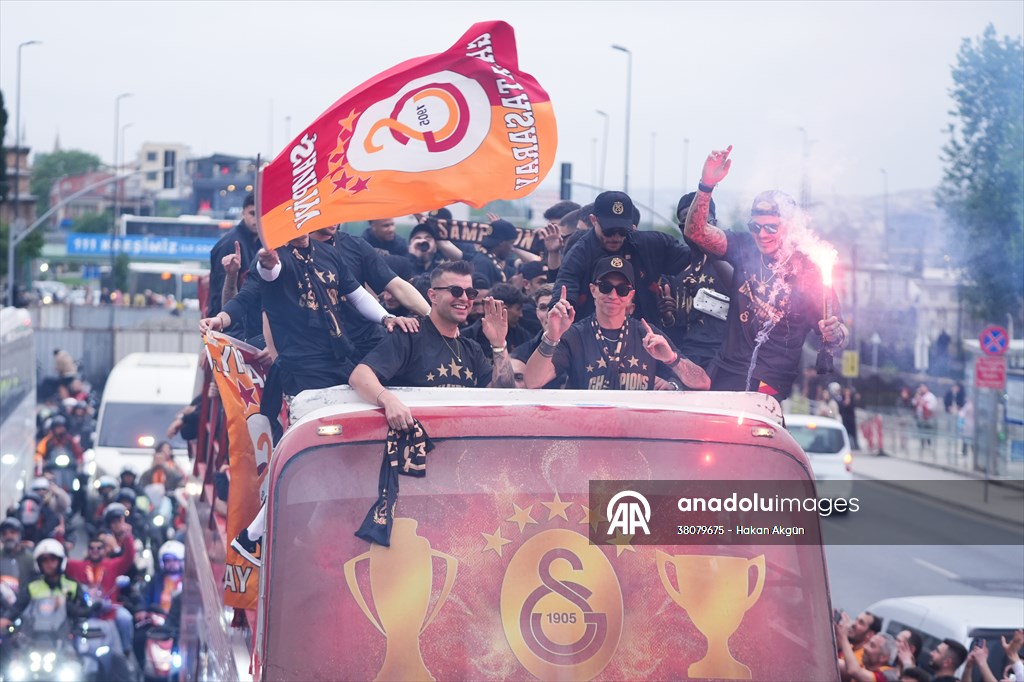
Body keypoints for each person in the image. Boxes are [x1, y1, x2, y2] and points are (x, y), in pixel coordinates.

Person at [684, 146, 848, 400]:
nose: (761, 234)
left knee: (754, 418)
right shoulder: (744, 246)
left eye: (771, 228)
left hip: (771, 380)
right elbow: (696, 232)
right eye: (755, 226)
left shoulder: (810, 272)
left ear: (790, 226)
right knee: (711, 422)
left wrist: (835, 333)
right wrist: (706, 186)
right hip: (727, 369)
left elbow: (841, 334)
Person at [201, 234, 417, 400]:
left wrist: (387, 318)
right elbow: (253, 290)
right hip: (302, 364)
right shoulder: (273, 259)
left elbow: (358, 295)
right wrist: (220, 319)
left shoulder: (329, 253)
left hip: (340, 355)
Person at [349, 260, 517, 431]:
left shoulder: (471, 348)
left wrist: (499, 344)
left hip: (461, 439)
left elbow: (503, 394)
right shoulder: (410, 334)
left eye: (470, 293)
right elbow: (360, 376)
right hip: (415, 439)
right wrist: (389, 401)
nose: (464, 298)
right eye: (456, 291)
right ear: (433, 296)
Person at [525, 257, 711, 392]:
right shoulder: (575, 335)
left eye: (622, 289)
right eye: (605, 287)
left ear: (630, 295)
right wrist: (552, 336)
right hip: (587, 429)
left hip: (636, 430)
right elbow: (533, 381)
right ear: (593, 290)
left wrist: (672, 359)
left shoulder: (647, 334)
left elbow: (703, 383)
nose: (613, 295)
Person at [551, 191, 691, 325]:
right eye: (609, 231)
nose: (616, 237)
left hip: (644, 331)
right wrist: (562, 309)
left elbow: (694, 256)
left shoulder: (650, 245)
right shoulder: (579, 254)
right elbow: (564, 292)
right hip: (591, 334)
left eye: (622, 231)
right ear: (593, 220)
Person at [658, 192, 731, 370]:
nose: (697, 230)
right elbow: (675, 328)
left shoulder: (730, 263)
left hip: (726, 357)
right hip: (687, 358)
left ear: (715, 224)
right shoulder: (675, 269)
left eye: (704, 223)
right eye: (690, 224)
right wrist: (667, 317)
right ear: (681, 228)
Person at [66, 529, 135, 657]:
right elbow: (61, 562)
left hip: (109, 609)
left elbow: (128, 558)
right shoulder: (79, 566)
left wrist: (128, 537)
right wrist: (59, 538)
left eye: (99, 548)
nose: (95, 551)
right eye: (92, 548)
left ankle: (126, 651)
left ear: (104, 550)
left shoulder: (112, 565)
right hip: (86, 610)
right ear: (88, 550)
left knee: (126, 618)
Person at [0, 539, 90, 636]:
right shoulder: (32, 586)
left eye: (52, 559)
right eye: (44, 560)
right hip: (34, 636)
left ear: (61, 561)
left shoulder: (72, 585)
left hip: (65, 637)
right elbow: (17, 607)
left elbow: (84, 611)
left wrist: (80, 618)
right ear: (39, 563)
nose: (49, 564)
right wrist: (6, 618)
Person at [207, 193, 260, 321]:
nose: (257, 219)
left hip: (245, 320)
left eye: (261, 214)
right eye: (253, 213)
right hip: (227, 322)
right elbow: (220, 290)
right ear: (243, 213)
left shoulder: (260, 243)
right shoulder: (230, 244)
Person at [835, 618, 899, 682]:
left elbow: (853, 671)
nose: (865, 647)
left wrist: (843, 637)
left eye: (872, 645)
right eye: (868, 643)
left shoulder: (887, 677)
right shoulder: (865, 666)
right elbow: (838, 663)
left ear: (883, 657)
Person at [470, 219, 518, 287]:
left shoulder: (488, 260)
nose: (512, 249)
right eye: (511, 243)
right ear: (501, 242)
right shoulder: (483, 264)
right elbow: (479, 292)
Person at [0, 518, 34, 594]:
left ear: (20, 535)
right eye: (5, 533)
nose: (8, 536)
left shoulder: (29, 558)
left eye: (12, 532)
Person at [912, 383, 938, 449]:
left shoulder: (930, 396)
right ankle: (922, 444)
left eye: (923, 387)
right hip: (919, 417)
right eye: (921, 387)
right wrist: (917, 397)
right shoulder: (919, 395)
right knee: (920, 431)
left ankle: (929, 444)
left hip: (928, 417)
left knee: (927, 431)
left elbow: (932, 407)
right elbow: (914, 403)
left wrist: (924, 404)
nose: (922, 389)